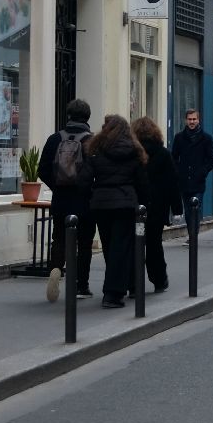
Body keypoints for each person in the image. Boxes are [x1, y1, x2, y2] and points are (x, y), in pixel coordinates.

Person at [85, 115, 149, 308]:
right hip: (126, 204)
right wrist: (144, 204)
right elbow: (142, 183)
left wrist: (92, 196)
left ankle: (116, 287)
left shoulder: (96, 150)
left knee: (109, 247)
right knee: (121, 247)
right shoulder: (134, 151)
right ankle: (113, 293)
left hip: (101, 205)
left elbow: (85, 179)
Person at [38, 99, 96, 302]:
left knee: (59, 238)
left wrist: (57, 186)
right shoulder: (91, 141)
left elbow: (42, 169)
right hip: (85, 201)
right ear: (87, 117)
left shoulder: (54, 139)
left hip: (61, 199)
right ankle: (81, 285)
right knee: (85, 244)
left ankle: (55, 269)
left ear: (68, 115)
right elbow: (96, 171)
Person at [133, 117, 177, 293]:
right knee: (154, 245)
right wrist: (177, 208)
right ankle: (159, 279)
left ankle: (133, 283)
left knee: (136, 243)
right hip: (157, 208)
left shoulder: (133, 153)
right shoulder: (164, 153)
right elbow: (172, 181)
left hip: (137, 208)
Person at [170, 108, 213, 238]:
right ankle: (192, 234)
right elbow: (174, 157)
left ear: (198, 120)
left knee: (195, 209)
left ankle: (193, 236)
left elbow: (211, 160)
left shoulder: (206, 138)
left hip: (198, 180)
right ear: (185, 120)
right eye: (189, 119)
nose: (192, 122)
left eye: (194, 119)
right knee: (188, 211)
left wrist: (203, 172)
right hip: (184, 181)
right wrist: (178, 171)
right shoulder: (179, 138)